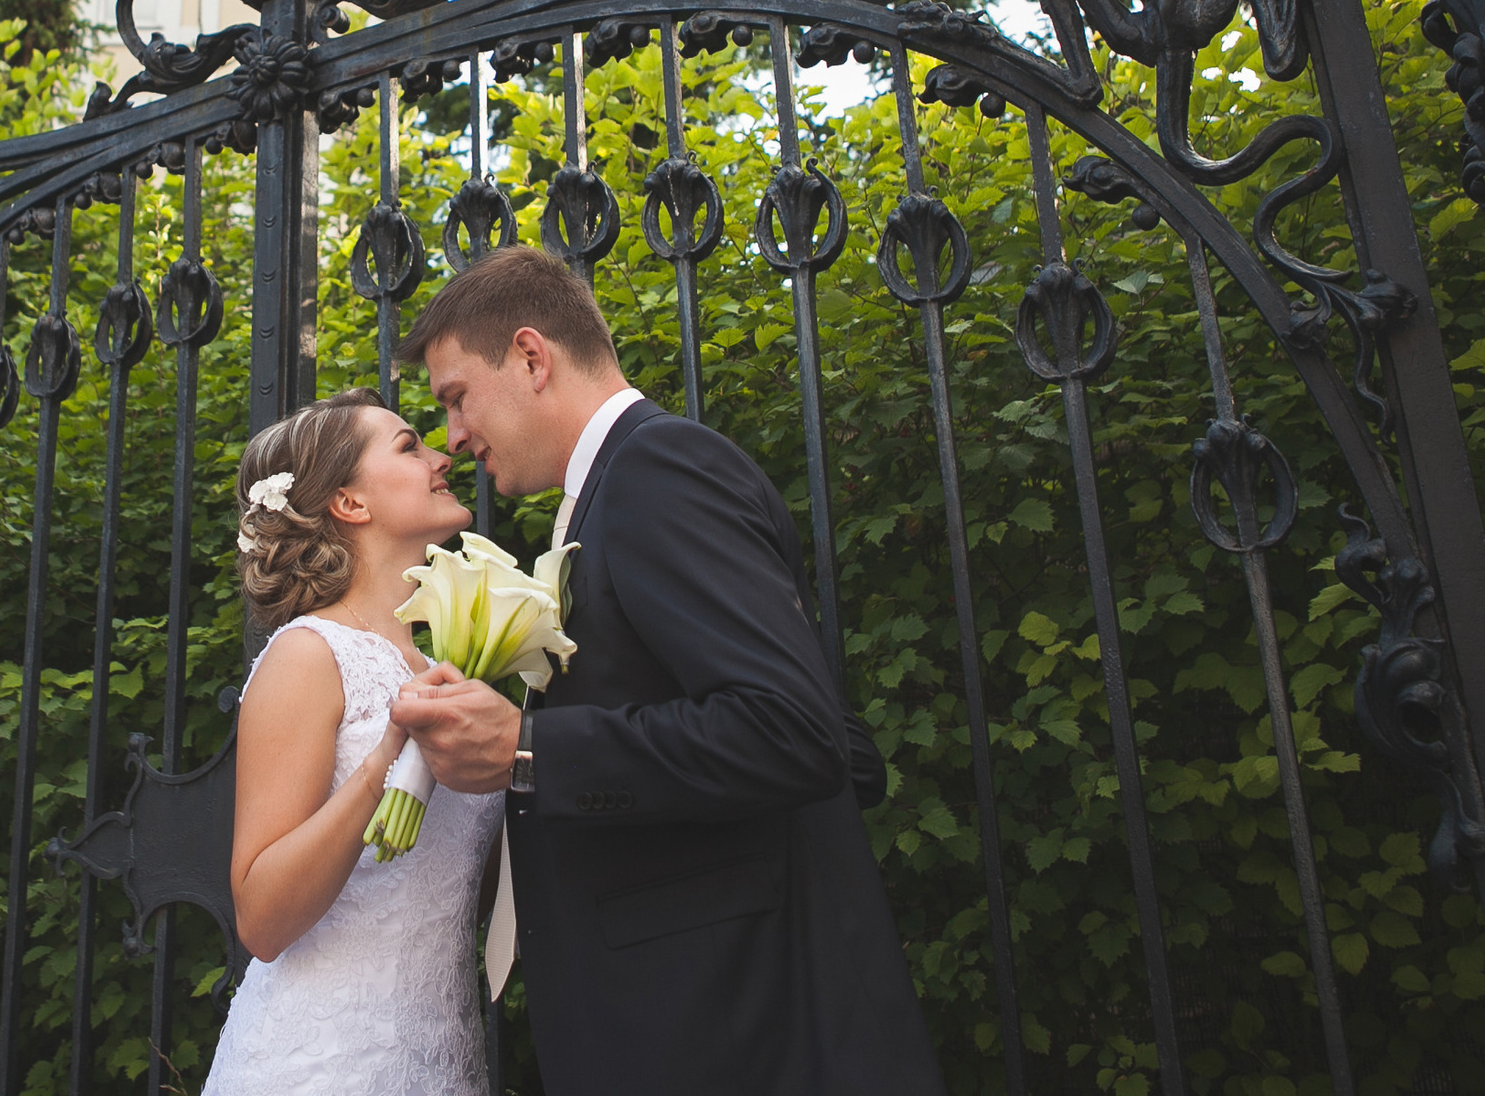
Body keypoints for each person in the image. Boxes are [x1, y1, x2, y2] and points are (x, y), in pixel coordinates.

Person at [388, 245, 943, 1096]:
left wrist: (530, 749)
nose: (453, 437)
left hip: (730, 1028)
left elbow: (791, 733)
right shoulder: (618, 488)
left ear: (532, 357)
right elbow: (840, 742)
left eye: (455, 397)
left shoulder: (659, 470)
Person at [202, 388, 502, 1096]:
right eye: (408, 446)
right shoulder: (309, 654)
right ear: (351, 503)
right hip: (318, 1065)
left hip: (442, 1060)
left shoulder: (447, 669)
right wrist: (383, 765)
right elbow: (263, 919)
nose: (441, 456)